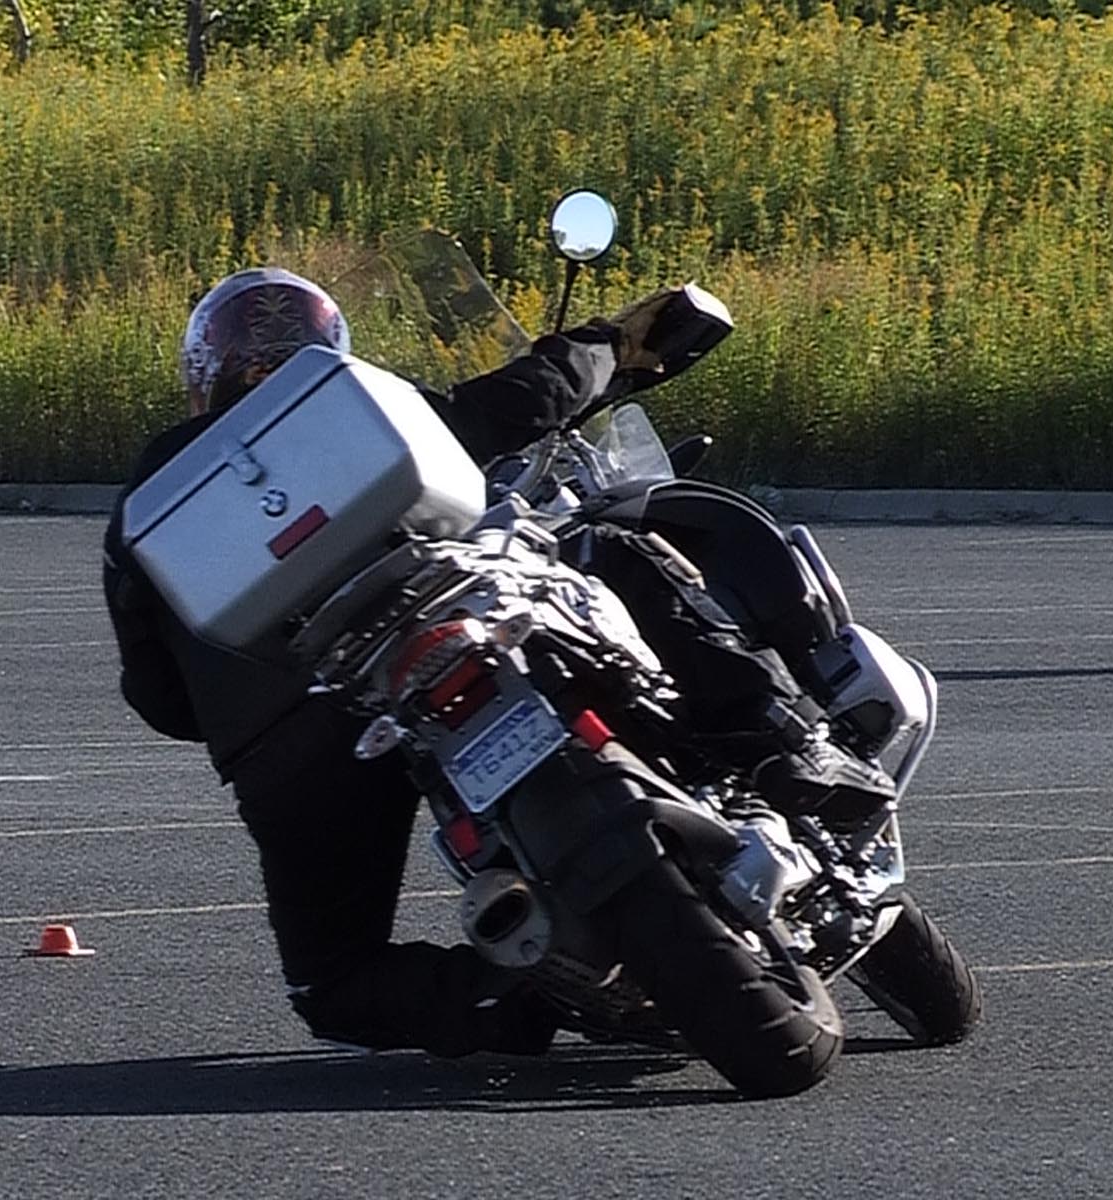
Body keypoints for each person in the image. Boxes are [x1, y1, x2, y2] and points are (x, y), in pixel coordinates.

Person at [103, 267, 892, 1059]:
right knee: (605, 550)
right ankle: (777, 739)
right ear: (328, 342)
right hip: (460, 628)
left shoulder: (149, 500)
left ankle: (526, 990)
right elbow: (509, 405)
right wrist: (613, 346)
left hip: (295, 747)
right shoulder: (347, 407)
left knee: (334, 985)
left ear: (204, 372)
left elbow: (159, 698)